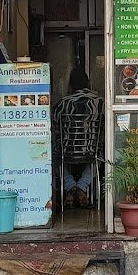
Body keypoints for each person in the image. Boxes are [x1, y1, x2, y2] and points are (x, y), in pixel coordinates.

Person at [52, 65, 103, 209]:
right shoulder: (100, 102)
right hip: (91, 150)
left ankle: (70, 187)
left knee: (54, 155)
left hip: (67, 151)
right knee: (102, 154)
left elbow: (55, 127)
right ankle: (81, 187)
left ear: (71, 85)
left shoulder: (62, 104)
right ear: (88, 83)